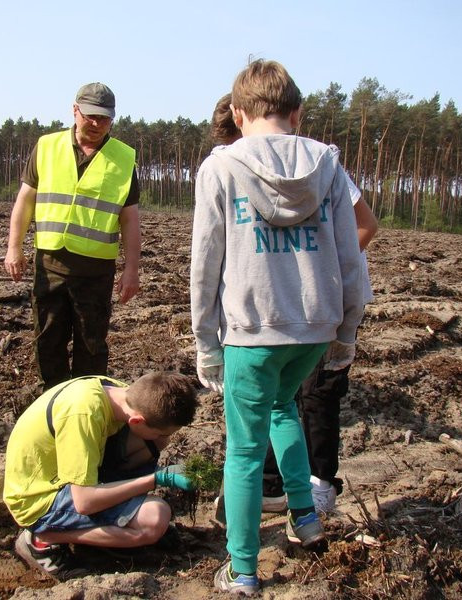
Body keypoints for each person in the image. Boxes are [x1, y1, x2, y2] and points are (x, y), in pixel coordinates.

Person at [190, 60, 363, 596]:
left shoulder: (220, 168)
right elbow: (350, 256)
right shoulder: (328, 167)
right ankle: (305, 519)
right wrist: (347, 330)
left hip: (253, 331)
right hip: (313, 329)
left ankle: (242, 570)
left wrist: (206, 342)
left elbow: (205, 263)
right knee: (284, 407)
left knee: (243, 451)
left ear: (239, 114)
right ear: (296, 112)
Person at [208, 92, 379, 517]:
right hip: (294, 309)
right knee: (277, 404)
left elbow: (365, 224)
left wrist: (321, 271)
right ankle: (276, 492)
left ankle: (318, 486)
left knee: (315, 397)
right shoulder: (234, 169)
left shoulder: (321, 169)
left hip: (312, 305)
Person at [4, 82, 141, 390]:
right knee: (47, 340)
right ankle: (50, 402)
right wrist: (15, 248)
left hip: (95, 273)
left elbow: (130, 219)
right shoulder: (47, 147)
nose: (96, 124)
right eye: (90, 116)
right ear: (74, 110)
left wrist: (132, 269)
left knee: (91, 348)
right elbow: (25, 200)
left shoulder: (123, 158)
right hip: (50, 266)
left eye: (104, 119)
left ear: (113, 119)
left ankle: (85, 403)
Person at [3, 371, 198, 579]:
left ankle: (115, 525)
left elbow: (151, 438)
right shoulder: (83, 416)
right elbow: (84, 502)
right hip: (39, 498)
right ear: (137, 421)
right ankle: (43, 538)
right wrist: (156, 479)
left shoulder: (124, 394)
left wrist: (157, 441)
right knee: (154, 520)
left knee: (151, 443)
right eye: (163, 432)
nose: (166, 439)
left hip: (67, 471)